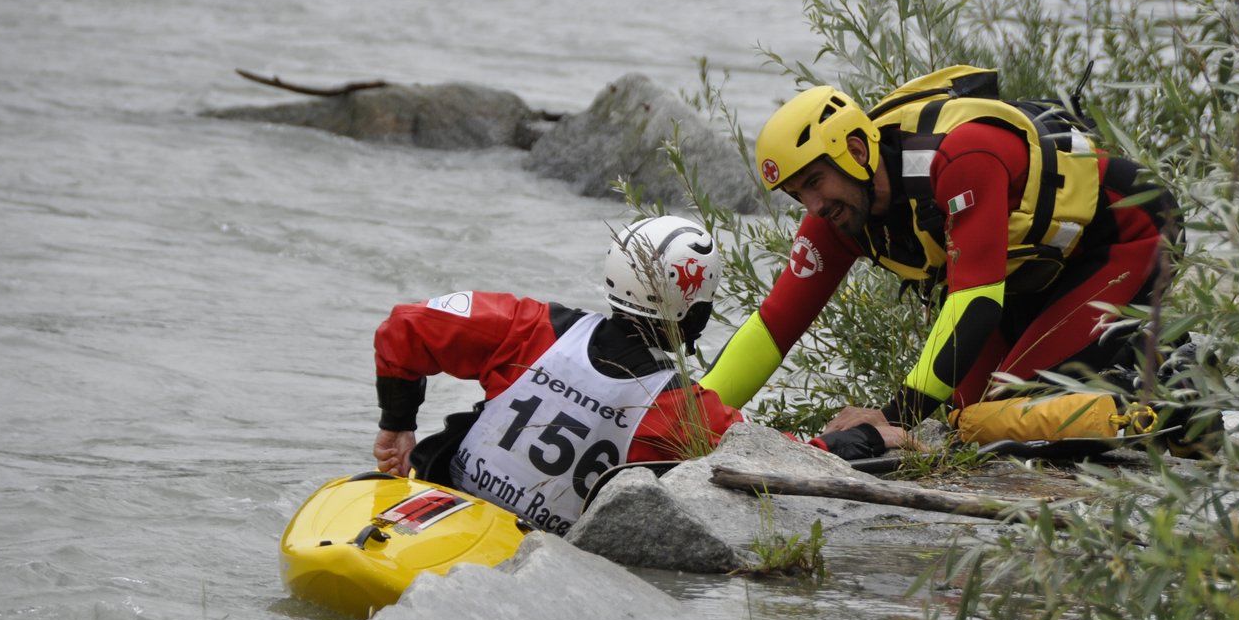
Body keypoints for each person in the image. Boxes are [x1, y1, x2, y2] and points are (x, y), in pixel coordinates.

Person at [699, 65, 1190, 439]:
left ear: (853, 149)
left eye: (813, 182)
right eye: (796, 194)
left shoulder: (960, 156)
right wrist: (692, 418)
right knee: (966, 422)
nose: (812, 205)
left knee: (997, 418)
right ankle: (1136, 372)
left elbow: (974, 303)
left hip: (1132, 233)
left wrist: (890, 420)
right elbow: (774, 325)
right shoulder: (840, 209)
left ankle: (1173, 393)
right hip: (1032, 275)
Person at [371, 216, 902, 535]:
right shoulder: (683, 411)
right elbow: (782, 462)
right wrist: (864, 437)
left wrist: (397, 423)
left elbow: (406, 327)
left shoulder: (530, 326)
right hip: (529, 554)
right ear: (695, 313)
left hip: (439, 505)